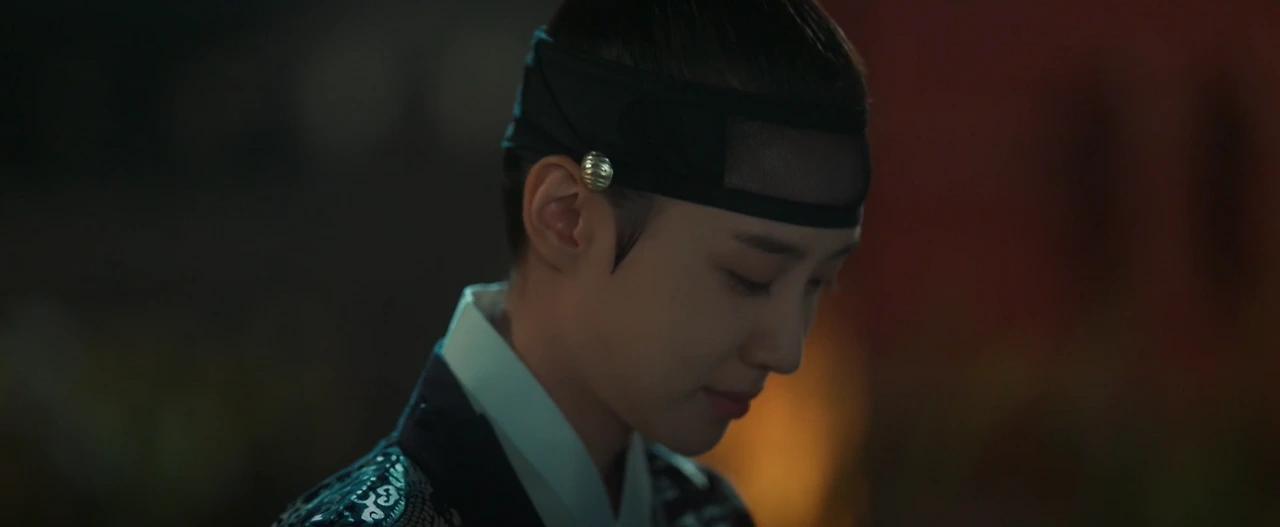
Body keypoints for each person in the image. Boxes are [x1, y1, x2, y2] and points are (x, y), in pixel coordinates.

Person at [271, 0, 871, 525]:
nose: (787, 351)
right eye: (750, 277)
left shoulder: (710, 515)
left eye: (819, 283)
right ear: (566, 217)